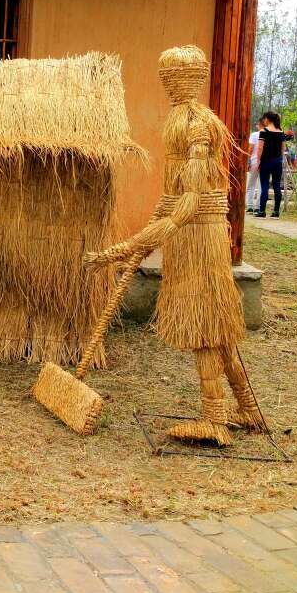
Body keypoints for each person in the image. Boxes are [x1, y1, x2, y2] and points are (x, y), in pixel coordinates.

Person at [85, 45, 262, 445]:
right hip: (195, 229)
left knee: (202, 320)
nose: (169, 82)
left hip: (197, 233)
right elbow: (175, 192)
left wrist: (132, 243)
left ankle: (214, 420)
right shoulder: (187, 118)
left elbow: (192, 196)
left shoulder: (194, 122)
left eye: (172, 75)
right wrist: (152, 228)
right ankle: (248, 407)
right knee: (218, 325)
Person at [255, 111, 290, 219]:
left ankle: (262, 211)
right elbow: (283, 148)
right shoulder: (281, 132)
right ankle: (276, 211)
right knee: (276, 186)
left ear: (267, 119)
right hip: (277, 161)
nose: (263, 121)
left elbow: (260, 148)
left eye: (264, 119)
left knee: (264, 185)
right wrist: (279, 158)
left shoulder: (264, 131)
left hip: (266, 161)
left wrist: (258, 161)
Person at [245, 119, 262, 213]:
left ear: (258, 125)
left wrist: (247, 160)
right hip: (264, 162)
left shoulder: (254, 135)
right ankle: (258, 206)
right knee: (261, 185)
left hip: (254, 161)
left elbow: (251, 148)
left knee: (251, 184)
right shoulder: (268, 135)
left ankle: (250, 206)